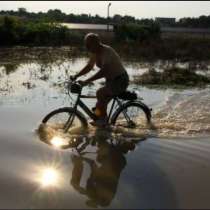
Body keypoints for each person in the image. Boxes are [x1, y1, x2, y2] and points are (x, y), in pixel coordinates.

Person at [73, 33, 129, 127]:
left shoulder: (107, 51)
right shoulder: (94, 52)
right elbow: (89, 66)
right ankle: (103, 122)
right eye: (86, 44)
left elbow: (104, 71)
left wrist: (86, 81)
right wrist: (76, 75)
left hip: (120, 80)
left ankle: (103, 120)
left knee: (100, 93)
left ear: (96, 43)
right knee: (99, 105)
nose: (87, 47)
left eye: (89, 44)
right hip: (111, 80)